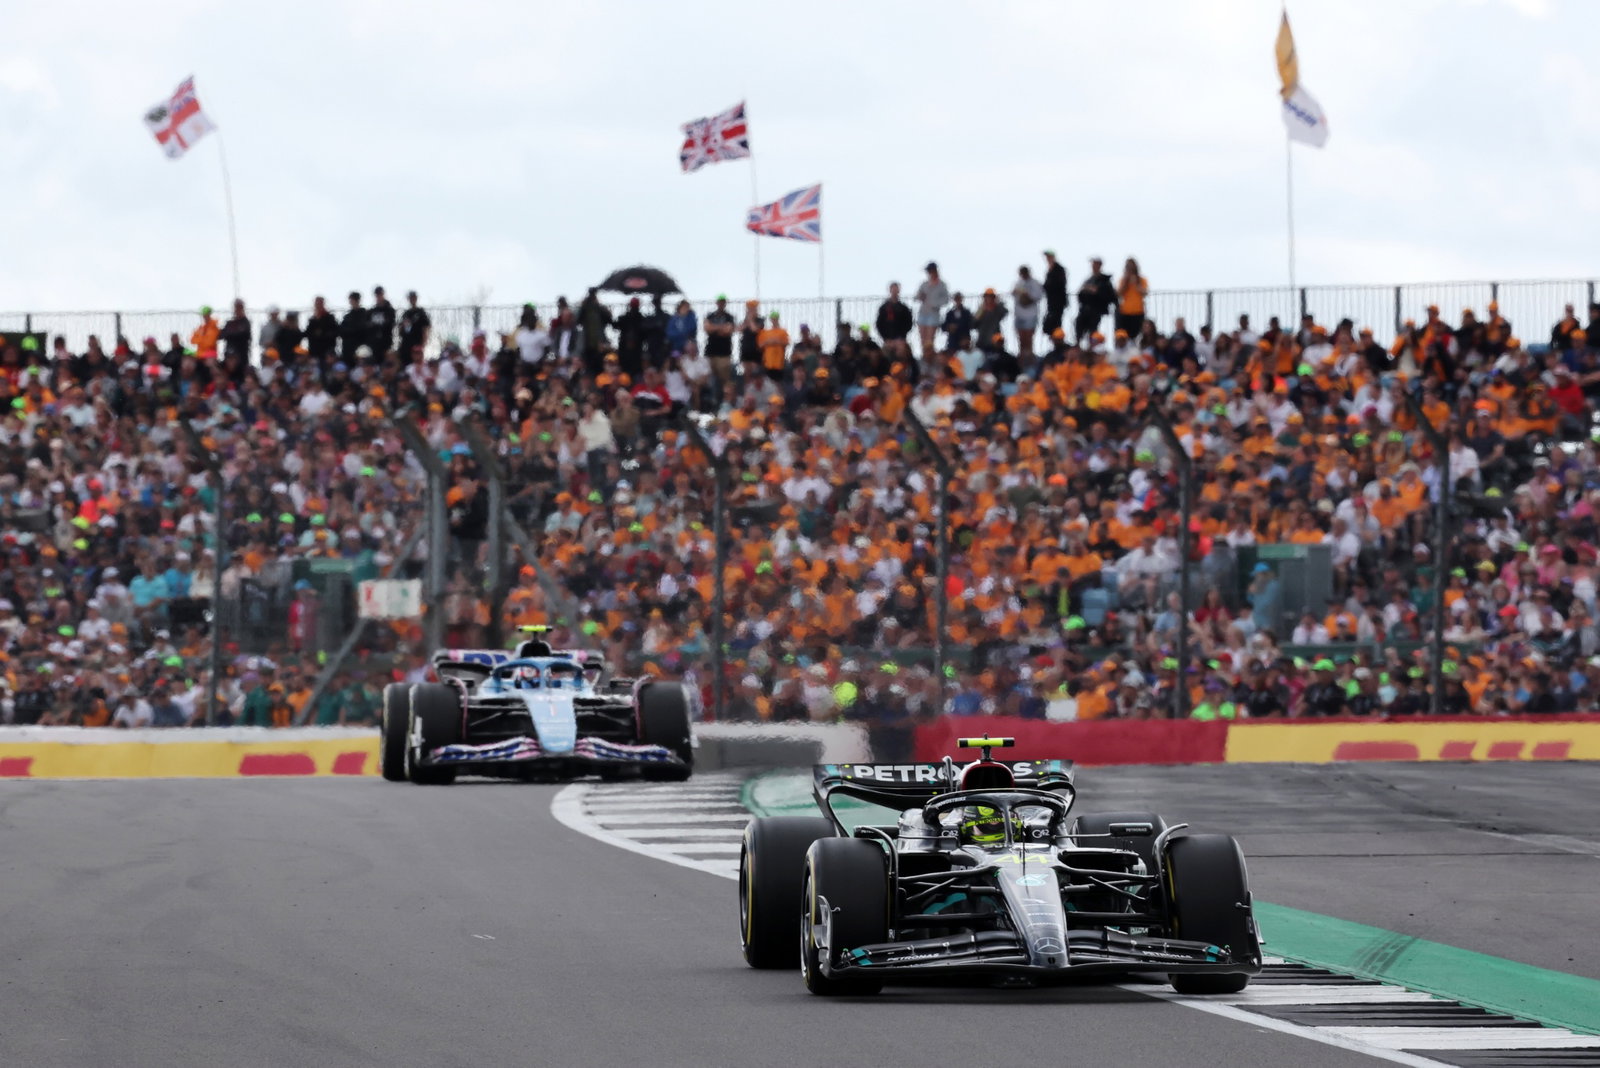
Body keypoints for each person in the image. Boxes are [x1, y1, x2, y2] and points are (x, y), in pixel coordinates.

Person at [913, 262, 949, 360]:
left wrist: (935, 304)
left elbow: (946, 300)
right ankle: (924, 356)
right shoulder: (924, 284)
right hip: (923, 313)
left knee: (930, 339)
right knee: (922, 339)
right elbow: (916, 296)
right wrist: (920, 297)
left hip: (933, 315)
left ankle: (930, 357)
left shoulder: (942, 285)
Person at [1075, 257, 1116, 343]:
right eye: (1093, 264)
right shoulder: (1088, 280)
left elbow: (1110, 296)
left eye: (1095, 264)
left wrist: (1096, 291)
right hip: (1084, 310)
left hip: (1096, 310)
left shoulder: (1104, 280)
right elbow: (1081, 294)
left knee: (1093, 332)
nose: (1093, 266)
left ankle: (1092, 347)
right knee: (1079, 328)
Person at [1011, 265, 1045, 363]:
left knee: (1029, 337)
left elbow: (1038, 296)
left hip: (1031, 314)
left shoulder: (1035, 283)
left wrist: (1027, 295)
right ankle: (1021, 358)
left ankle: (1030, 358)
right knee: (1021, 338)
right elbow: (1013, 293)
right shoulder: (1018, 282)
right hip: (1019, 314)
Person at [703, 295, 736, 384]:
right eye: (720, 302)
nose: (721, 304)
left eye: (723, 302)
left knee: (725, 380)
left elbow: (728, 330)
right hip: (710, 352)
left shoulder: (729, 317)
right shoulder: (710, 316)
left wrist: (714, 328)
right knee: (710, 379)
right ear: (717, 303)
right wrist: (721, 327)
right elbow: (707, 328)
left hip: (724, 353)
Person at [1114, 258, 1148, 338]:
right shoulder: (1123, 280)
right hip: (1124, 311)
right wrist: (1126, 282)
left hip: (1138, 311)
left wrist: (1136, 283)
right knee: (1122, 334)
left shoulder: (1142, 280)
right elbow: (1119, 293)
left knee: (1135, 334)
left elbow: (1144, 292)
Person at [1042, 250, 1068, 337]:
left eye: (1049, 257)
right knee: (1050, 325)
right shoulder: (1050, 269)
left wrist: (1047, 286)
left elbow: (1059, 284)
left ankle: (1058, 340)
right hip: (1051, 302)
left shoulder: (1059, 269)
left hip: (1058, 302)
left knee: (1055, 323)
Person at [399, 290, 431, 360]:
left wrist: (423, 343)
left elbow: (425, 328)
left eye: (413, 298)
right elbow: (400, 329)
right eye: (411, 298)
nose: (412, 299)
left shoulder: (421, 313)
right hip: (406, 344)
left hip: (417, 343)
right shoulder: (405, 314)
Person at [339, 290, 369, 362]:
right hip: (347, 349)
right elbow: (341, 331)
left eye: (353, 299)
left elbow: (362, 329)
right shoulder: (347, 316)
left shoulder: (364, 314)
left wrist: (350, 331)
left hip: (360, 349)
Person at [369, 285, 397, 357]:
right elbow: (368, 325)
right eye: (377, 294)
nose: (378, 296)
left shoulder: (389, 310)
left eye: (380, 294)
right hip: (374, 342)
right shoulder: (372, 311)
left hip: (386, 341)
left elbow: (391, 323)